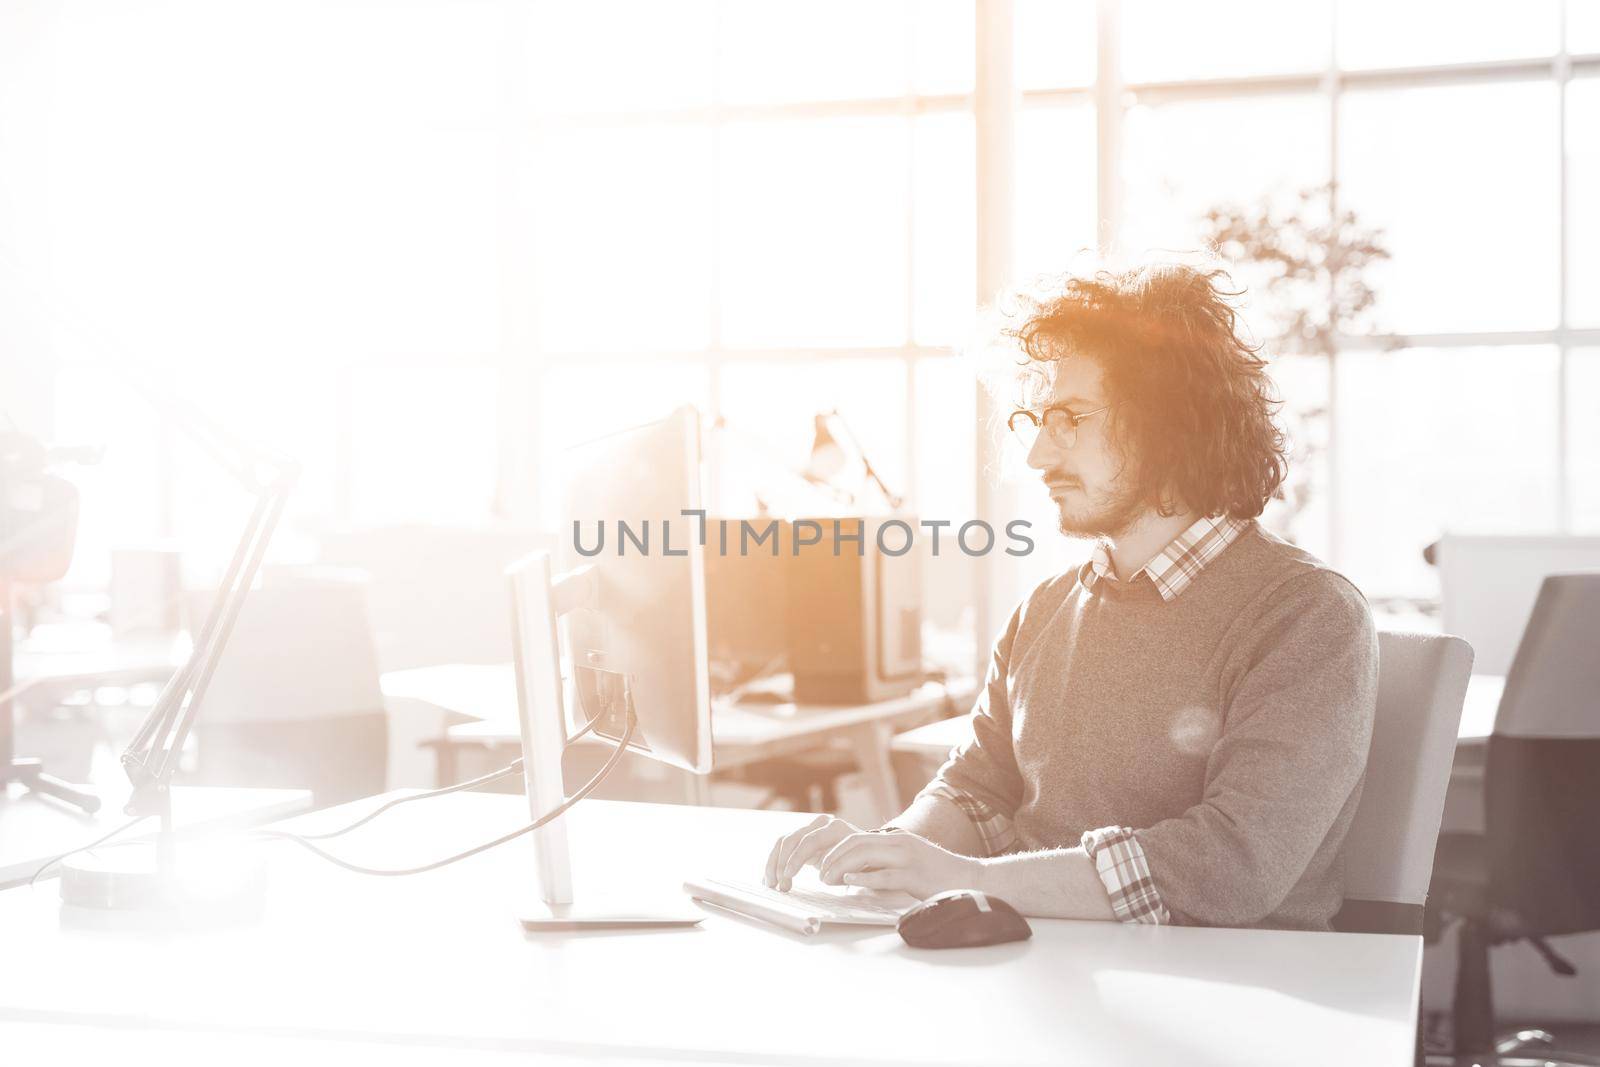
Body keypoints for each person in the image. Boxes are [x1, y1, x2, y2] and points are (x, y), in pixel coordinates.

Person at [763, 263, 1378, 930]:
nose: (1036, 456)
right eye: (1037, 420)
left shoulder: (1307, 614)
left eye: (1069, 419)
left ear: (1170, 423)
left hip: (1229, 999)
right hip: (1042, 973)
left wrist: (968, 879)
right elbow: (975, 791)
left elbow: (1232, 864)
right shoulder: (1045, 609)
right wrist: (882, 854)